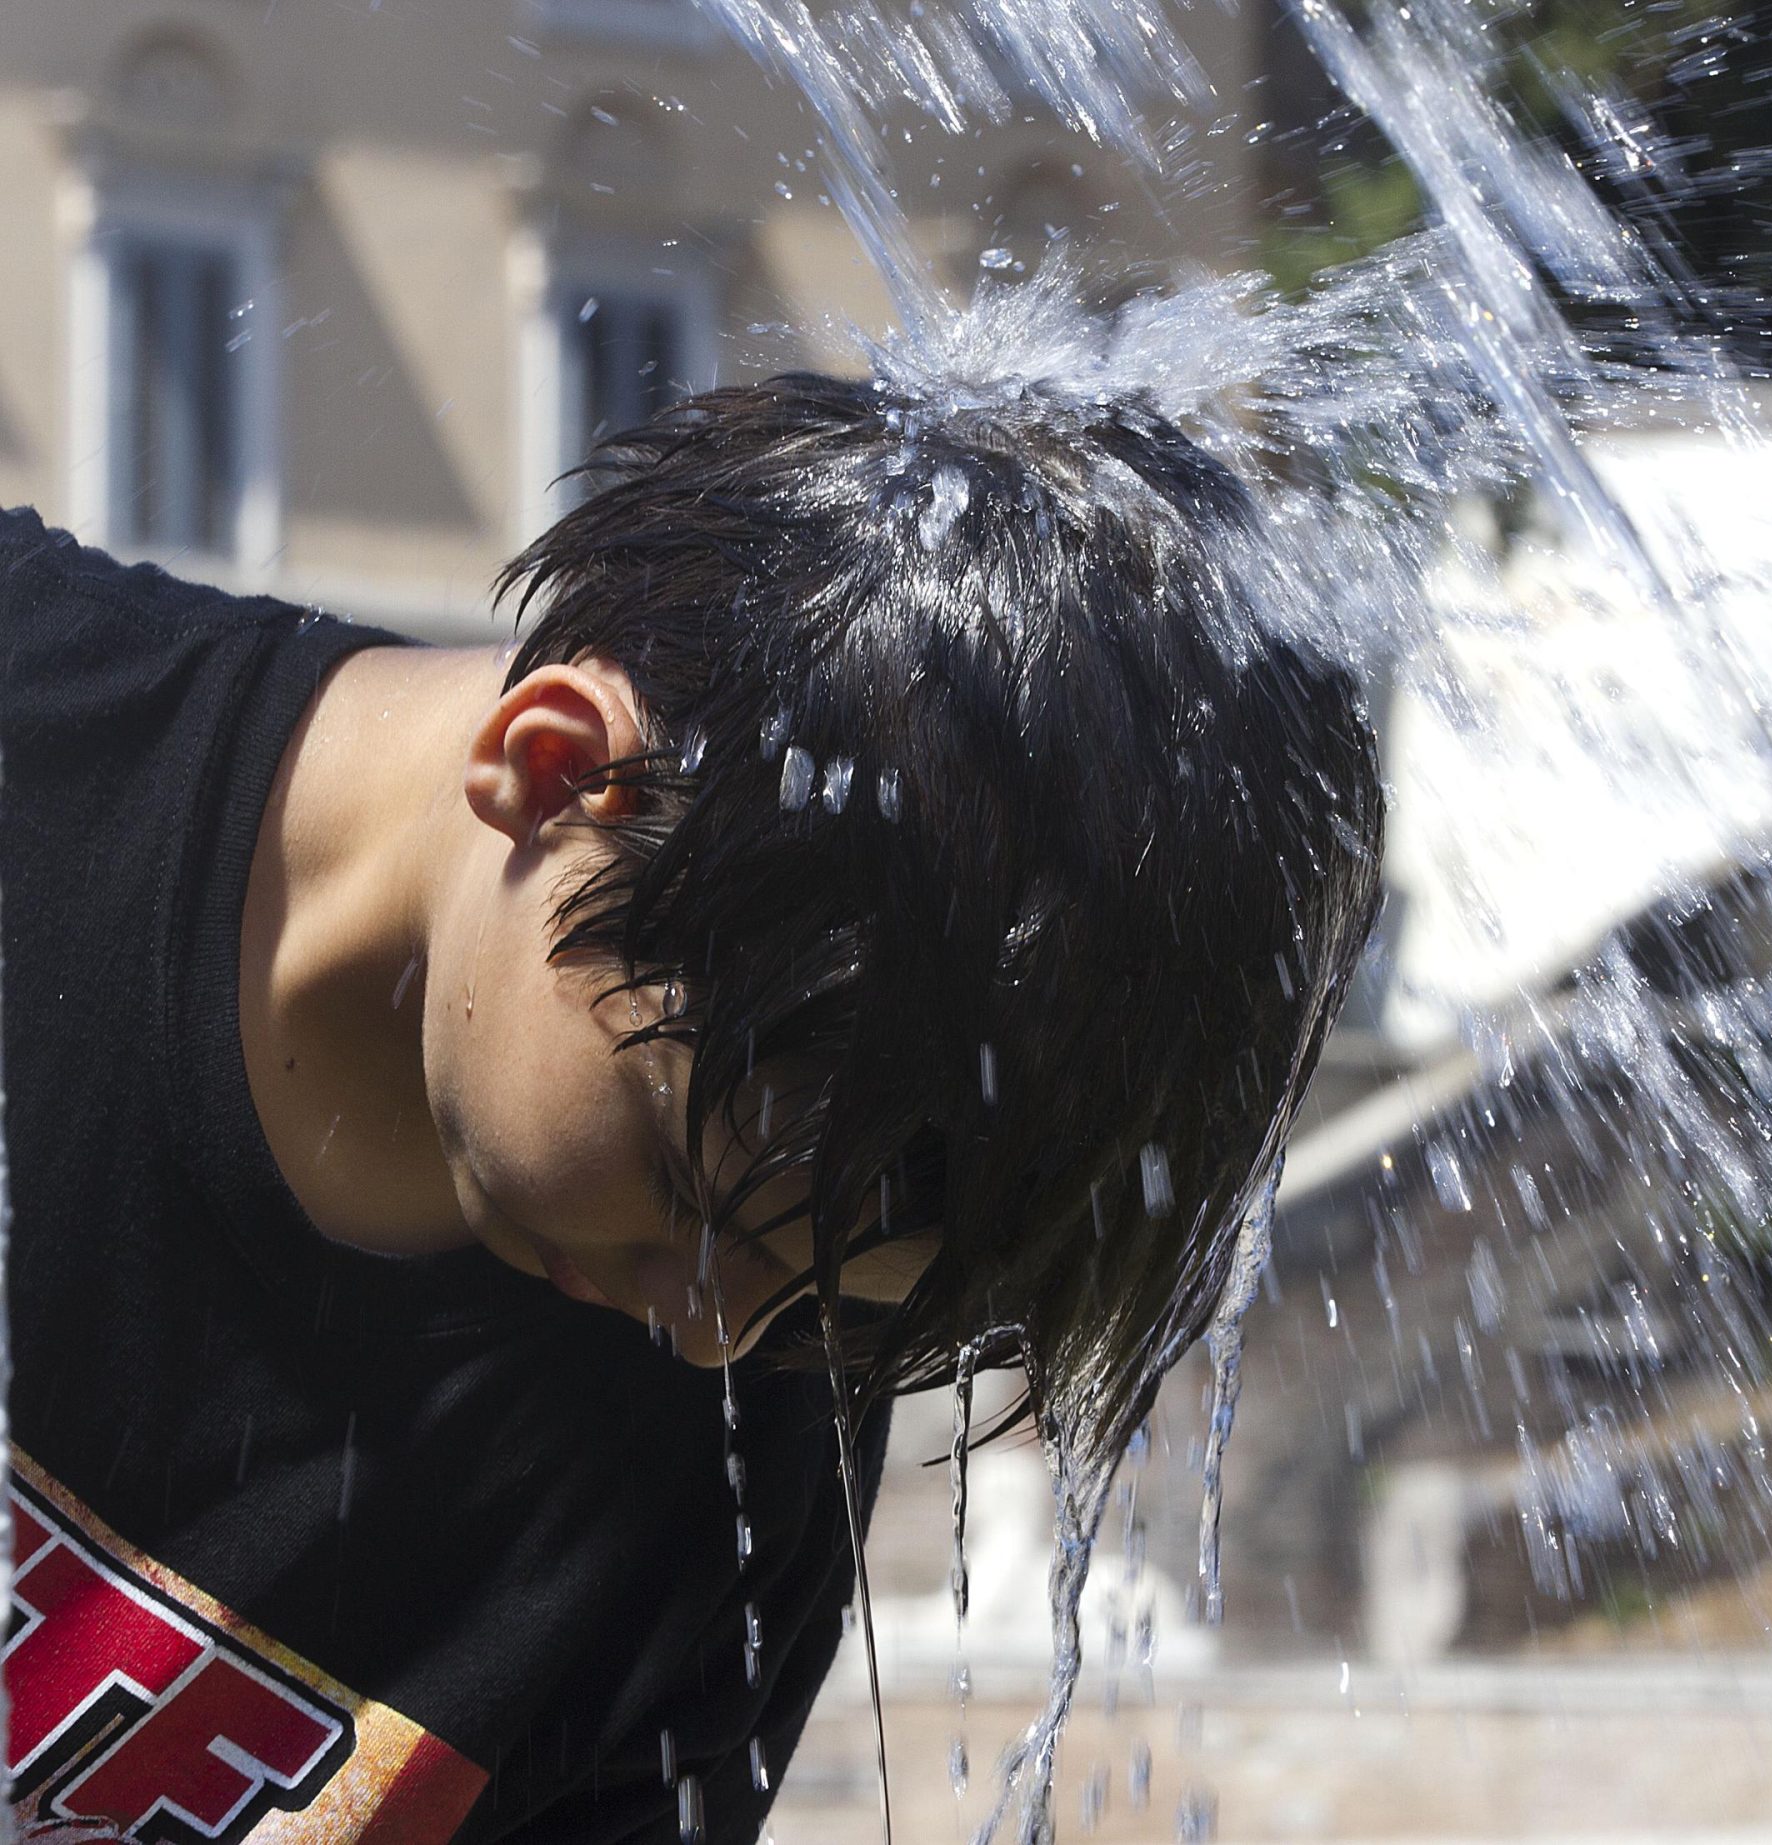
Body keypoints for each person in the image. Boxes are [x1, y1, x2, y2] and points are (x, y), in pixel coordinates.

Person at [0, 371, 1384, 1843]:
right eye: (685, 1184)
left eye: (818, 1298)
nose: (715, 1329)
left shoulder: (740, 1472)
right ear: (556, 774)